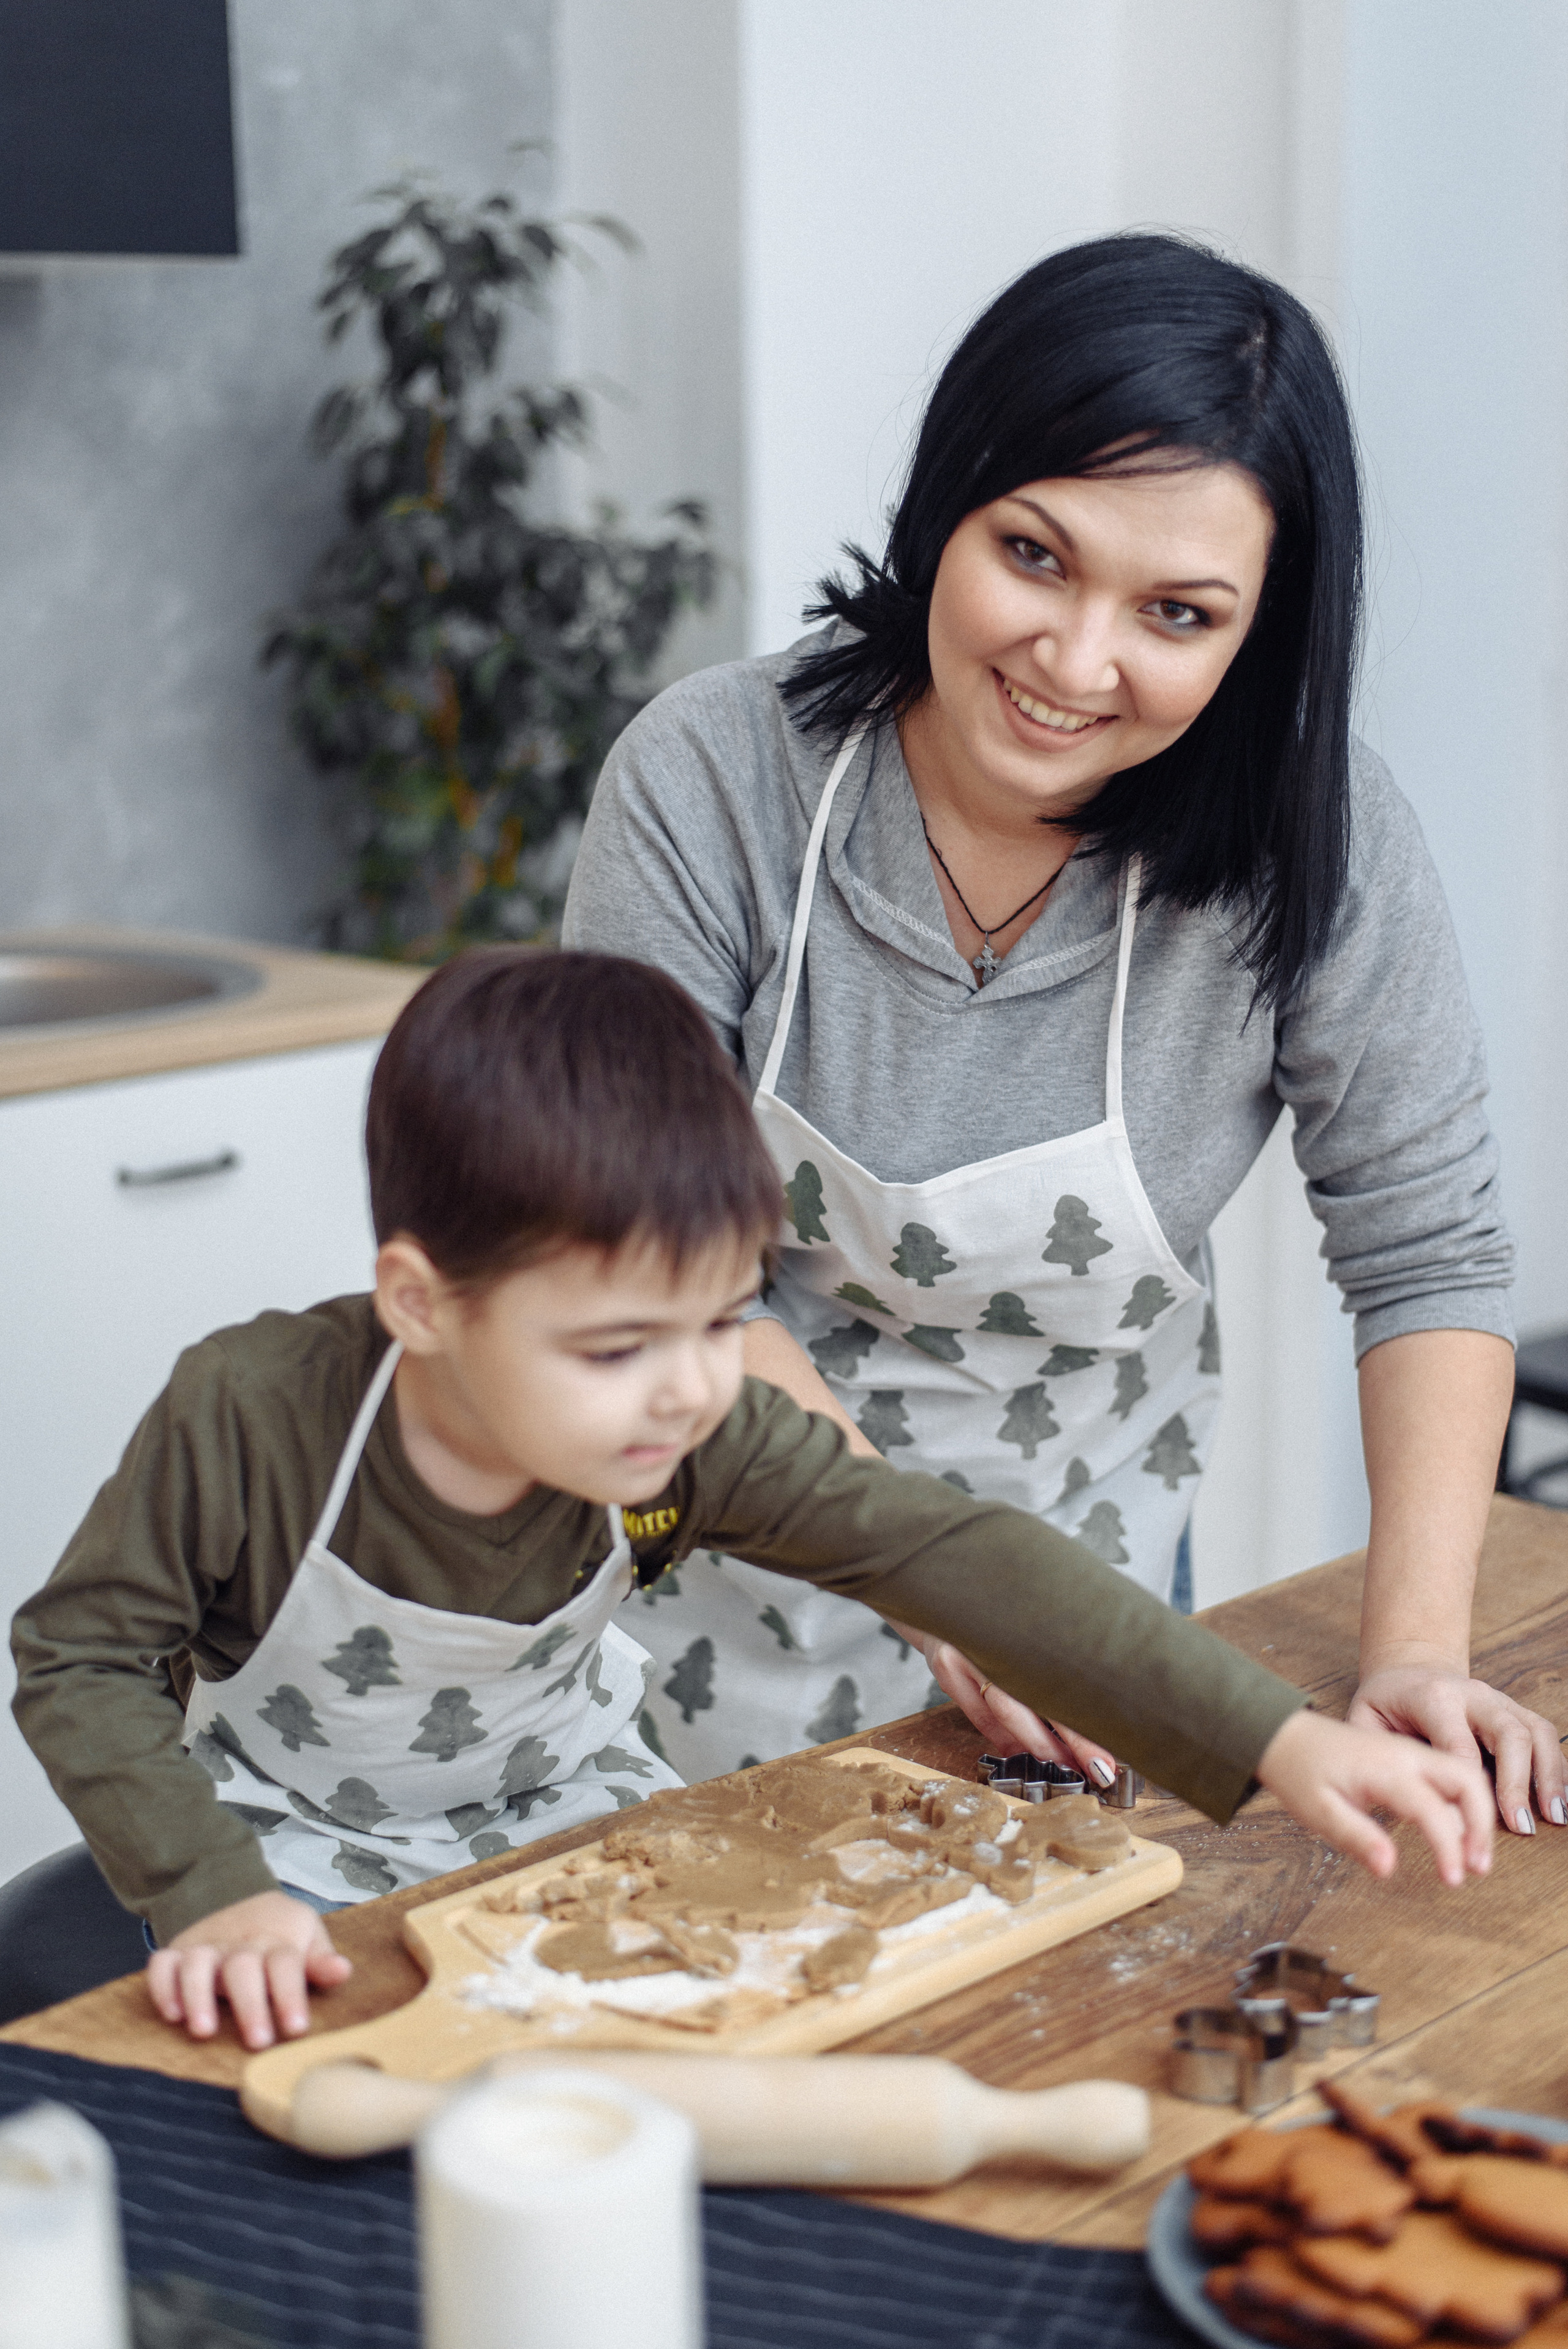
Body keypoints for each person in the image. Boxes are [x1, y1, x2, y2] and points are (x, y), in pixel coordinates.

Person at [11, 950, 1492, 2052]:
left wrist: (1271, 1735)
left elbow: (947, 1553)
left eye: (720, 1319)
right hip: (285, 1848)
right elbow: (79, 1661)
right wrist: (207, 1891)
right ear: (421, 1301)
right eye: (614, 1347)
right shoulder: (252, 1414)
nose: (684, 1389)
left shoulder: (693, 1423)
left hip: (563, 1818)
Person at [564, 231, 1560, 1836]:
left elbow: (1427, 1252)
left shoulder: (1322, 843)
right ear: (947, 501)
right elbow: (652, 1269)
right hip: (698, 1592)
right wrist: (961, 1588)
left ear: (1259, 634)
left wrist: (1417, 1653)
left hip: (1087, 1658)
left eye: (1177, 611)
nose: (1078, 662)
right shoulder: (713, 780)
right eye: (1034, 554)